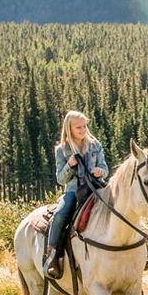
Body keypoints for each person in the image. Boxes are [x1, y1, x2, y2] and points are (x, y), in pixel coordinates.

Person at [42, 110, 107, 279]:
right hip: (73, 191)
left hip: (96, 187)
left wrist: (100, 171)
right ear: (69, 128)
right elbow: (60, 179)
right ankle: (53, 256)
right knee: (61, 214)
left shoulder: (95, 145)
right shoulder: (62, 150)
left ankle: (142, 253)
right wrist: (69, 165)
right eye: (78, 127)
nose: (82, 129)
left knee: (121, 205)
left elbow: (105, 168)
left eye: (84, 126)